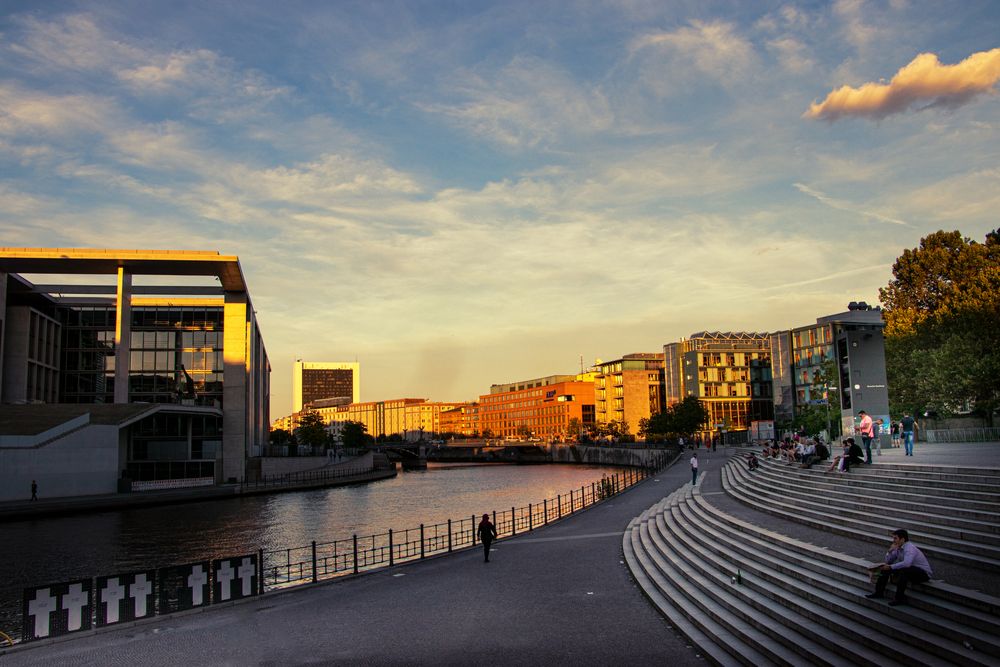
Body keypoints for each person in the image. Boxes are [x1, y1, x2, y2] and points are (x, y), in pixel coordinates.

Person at [866, 528, 932, 606]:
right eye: (893, 538)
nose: (893, 540)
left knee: (904, 571)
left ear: (902, 539)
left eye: (895, 538)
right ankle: (878, 593)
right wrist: (890, 551)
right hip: (909, 570)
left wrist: (890, 567)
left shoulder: (909, 548)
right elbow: (888, 561)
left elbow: (907, 563)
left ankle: (899, 598)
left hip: (923, 573)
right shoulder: (898, 547)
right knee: (884, 569)